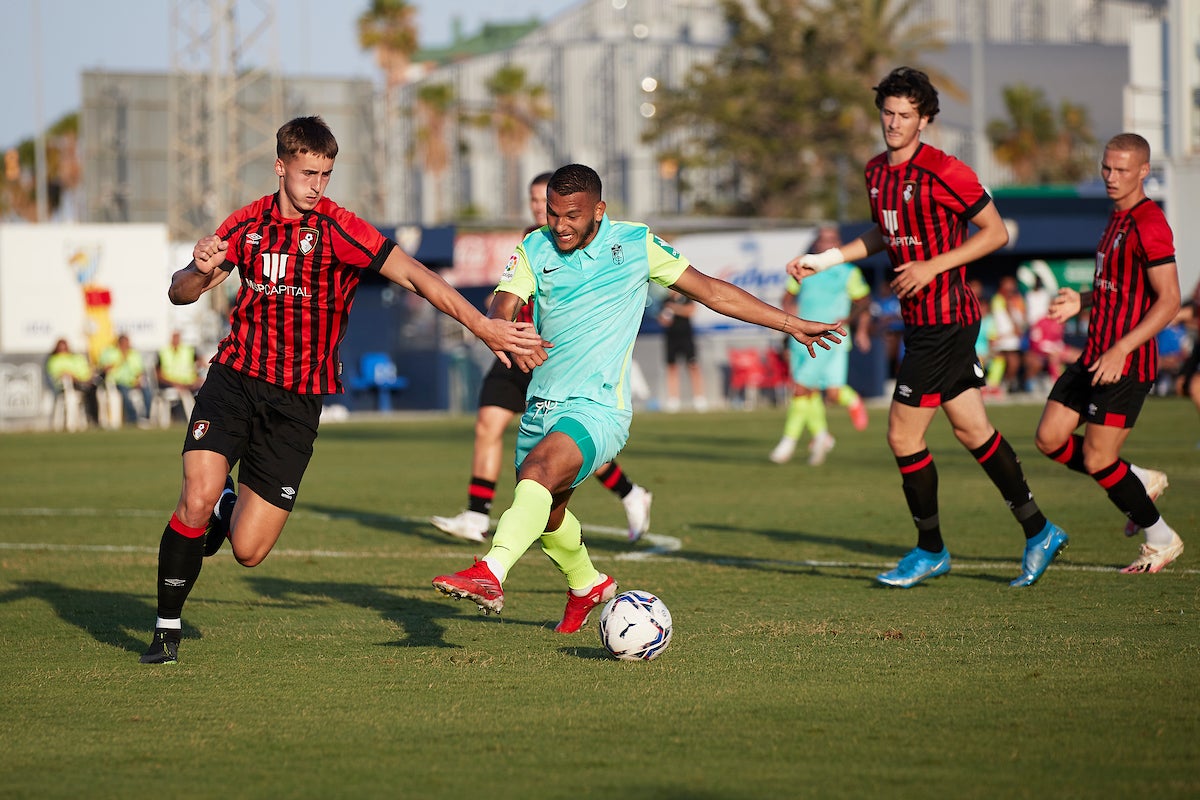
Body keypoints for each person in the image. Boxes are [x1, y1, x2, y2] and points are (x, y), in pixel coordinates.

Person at [139, 116, 540, 664]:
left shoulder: (339, 228)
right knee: (195, 494)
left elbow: (419, 277)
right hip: (234, 379)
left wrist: (485, 327)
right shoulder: (246, 224)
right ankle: (166, 627)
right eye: (308, 173)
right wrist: (198, 268)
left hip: (296, 402)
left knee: (249, 550)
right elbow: (182, 291)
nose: (317, 185)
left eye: (326, 174)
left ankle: (225, 505)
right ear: (280, 167)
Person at [433, 164, 844, 632]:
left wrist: (792, 325)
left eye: (571, 215)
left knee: (539, 473)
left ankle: (490, 572)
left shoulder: (634, 244)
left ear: (599, 211)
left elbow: (713, 292)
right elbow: (504, 300)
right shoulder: (534, 246)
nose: (560, 225)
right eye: (552, 213)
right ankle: (587, 585)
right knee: (547, 516)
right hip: (541, 404)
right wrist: (501, 326)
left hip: (598, 409)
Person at [791, 66, 1067, 589]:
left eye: (905, 115)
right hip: (922, 323)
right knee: (973, 430)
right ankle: (1040, 530)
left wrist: (931, 267)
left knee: (902, 434)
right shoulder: (876, 171)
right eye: (888, 113)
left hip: (947, 319)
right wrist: (825, 259)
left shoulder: (946, 170)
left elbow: (995, 232)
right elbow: (884, 232)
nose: (894, 123)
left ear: (925, 120)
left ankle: (931, 549)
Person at [430, 172, 654, 544]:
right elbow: (505, 297)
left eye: (543, 201)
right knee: (488, 423)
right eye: (536, 202)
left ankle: (630, 493)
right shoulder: (532, 242)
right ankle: (476, 514)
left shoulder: (587, 242)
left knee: (566, 444)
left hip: (556, 358)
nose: (539, 208)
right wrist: (499, 317)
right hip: (516, 348)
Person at [1034, 133, 1183, 574]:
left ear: (1144, 171)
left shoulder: (1150, 222)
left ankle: (1162, 538)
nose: (1111, 177)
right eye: (1106, 167)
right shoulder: (1117, 218)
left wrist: (1122, 348)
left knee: (1099, 459)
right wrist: (1081, 301)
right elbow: (1117, 288)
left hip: (1126, 362)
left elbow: (1169, 300)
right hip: (1096, 354)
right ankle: (1138, 478)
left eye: (1121, 170)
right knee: (1049, 438)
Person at [769, 225, 871, 466]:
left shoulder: (848, 272)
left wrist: (854, 324)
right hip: (801, 337)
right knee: (820, 391)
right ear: (816, 244)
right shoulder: (806, 269)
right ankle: (822, 435)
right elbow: (787, 296)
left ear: (838, 243)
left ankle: (789, 441)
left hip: (830, 338)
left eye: (831, 239)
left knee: (802, 388)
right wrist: (790, 316)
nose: (827, 243)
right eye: (823, 239)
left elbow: (864, 301)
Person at [658, 289, 707, 412]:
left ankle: (699, 398)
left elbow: (690, 311)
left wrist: (674, 308)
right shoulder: (665, 301)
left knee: (693, 366)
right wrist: (665, 317)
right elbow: (662, 320)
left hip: (686, 337)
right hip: (671, 338)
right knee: (672, 367)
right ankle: (673, 399)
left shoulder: (686, 298)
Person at [98, 333, 153, 426]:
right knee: (126, 395)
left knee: (147, 391)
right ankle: (133, 419)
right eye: (125, 342)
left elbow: (140, 370)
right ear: (120, 343)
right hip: (118, 382)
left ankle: (146, 417)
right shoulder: (110, 353)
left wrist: (138, 380)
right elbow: (104, 369)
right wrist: (119, 360)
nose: (127, 345)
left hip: (133, 382)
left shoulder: (134, 354)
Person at [45, 338, 100, 428]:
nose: (63, 349)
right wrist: (72, 377)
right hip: (65, 386)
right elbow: (59, 374)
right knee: (80, 393)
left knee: (93, 390)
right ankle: (72, 424)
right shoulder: (54, 360)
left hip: (81, 383)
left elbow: (84, 372)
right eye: (61, 347)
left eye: (64, 347)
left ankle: (94, 420)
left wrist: (86, 378)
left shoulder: (75, 358)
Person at [156, 330, 204, 421]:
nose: (176, 340)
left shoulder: (188, 350)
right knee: (185, 396)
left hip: (187, 383)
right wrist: (175, 384)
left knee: (202, 392)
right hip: (170, 384)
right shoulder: (164, 352)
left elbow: (201, 362)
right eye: (174, 338)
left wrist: (197, 377)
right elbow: (158, 374)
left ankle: (199, 418)